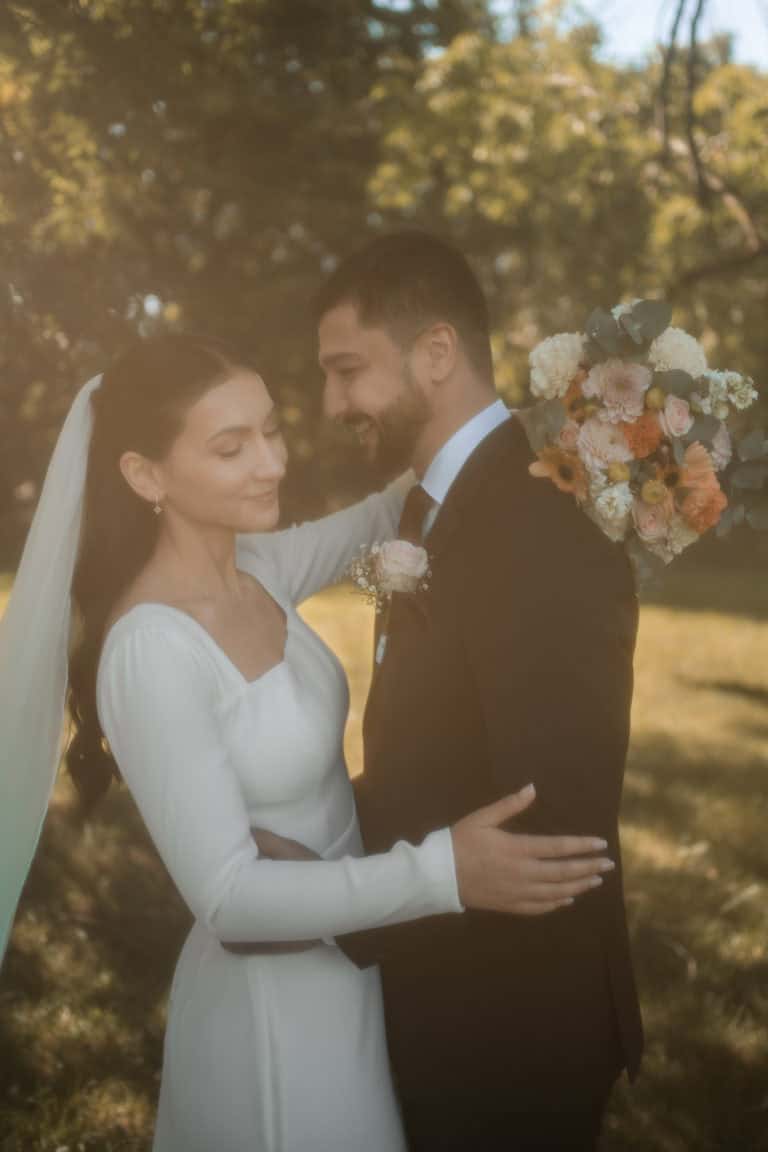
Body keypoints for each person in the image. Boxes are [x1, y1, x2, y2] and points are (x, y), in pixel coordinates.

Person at [0, 332, 614, 1152]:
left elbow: (380, 512)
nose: (271, 463)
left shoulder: (256, 566)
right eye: (231, 447)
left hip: (352, 972)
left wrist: (538, 424)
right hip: (273, 1016)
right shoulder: (152, 649)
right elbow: (230, 899)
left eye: (272, 430)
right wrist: (444, 872)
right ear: (146, 475)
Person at [312, 232, 644, 1151]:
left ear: (436, 353)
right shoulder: (435, 507)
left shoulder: (539, 528)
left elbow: (553, 829)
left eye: (347, 371)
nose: (333, 402)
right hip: (450, 996)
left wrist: (322, 881)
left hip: (507, 1027)